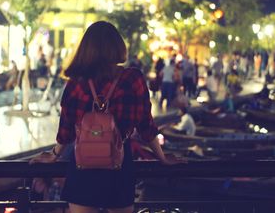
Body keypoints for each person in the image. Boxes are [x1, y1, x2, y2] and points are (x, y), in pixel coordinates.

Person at [29, 21, 184, 213]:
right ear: (117, 46)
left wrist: (54, 155)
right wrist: (162, 157)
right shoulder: (132, 78)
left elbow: (66, 129)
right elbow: (146, 125)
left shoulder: (77, 82)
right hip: (119, 165)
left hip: (82, 166)